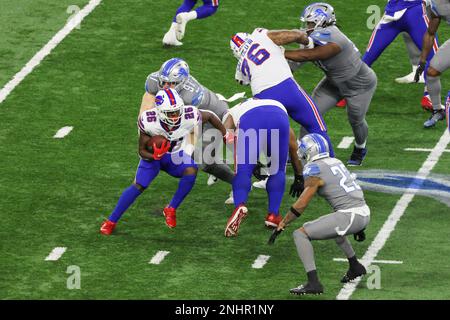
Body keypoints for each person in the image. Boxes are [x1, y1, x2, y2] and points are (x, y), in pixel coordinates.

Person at [100, 88, 232, 235]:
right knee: (139, 185)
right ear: (160, 112)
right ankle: (111, 221)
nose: (175, 116)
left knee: (191, 169)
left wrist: (225, 133)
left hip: (175, 156)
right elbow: (141, 150)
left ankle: (171, 208)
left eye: (177, 111)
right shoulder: (149, 121)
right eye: (171, 113)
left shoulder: (189, 115)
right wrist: (154, 155)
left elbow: (211, 116)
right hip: (153, 158)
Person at [268, 133, 370, 295]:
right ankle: (355, 266)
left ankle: (313, 283)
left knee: (300, 234)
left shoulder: (313, 169)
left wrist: (284, 222)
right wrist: (359, 228)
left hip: (350, 216)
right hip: (363, 212)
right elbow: (349, 192)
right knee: (335, 228)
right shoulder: (335, 161)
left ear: (309, 152)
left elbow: (302, 203)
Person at [284, 2, 377, 166]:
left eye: (311, 23)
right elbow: (293, 65)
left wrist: (282, 52)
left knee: (356, 120)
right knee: (309, 113)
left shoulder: (334, 37)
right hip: (333, 82)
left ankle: (360, 147)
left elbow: (307, 55)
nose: (308, 26)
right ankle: (300, 151)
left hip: (359, 84)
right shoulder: (313, 37)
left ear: (322, 21)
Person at [229, 28, 335, 158]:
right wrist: (307, 41)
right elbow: (293, 35)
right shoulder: (259, 34)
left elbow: (242, 81)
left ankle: (269, 170)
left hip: (263, 97)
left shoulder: (240, 68)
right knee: (316, 126)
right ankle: (331, 162)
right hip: (286, 87)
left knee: (273, 138)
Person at [142, 58, 235, 204]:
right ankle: (216, 165)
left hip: (215, 117)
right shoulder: (153, 80)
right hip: (192, 115)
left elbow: (192, 127)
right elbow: (146, 105)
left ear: (182, 82)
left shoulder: (191, 96)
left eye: (171, 83)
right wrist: (145, 130)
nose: (165, 86)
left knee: (203, 161)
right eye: (163, 82)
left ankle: (238, 183)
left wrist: (183, 152)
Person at [222, 98, 304, 235]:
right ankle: (273, 215)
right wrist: (299, 175)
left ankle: (240, 206)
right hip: (279, 116)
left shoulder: (232, 111)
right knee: (277, 170)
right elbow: (293, 146)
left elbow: (225, 133)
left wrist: (245, 161)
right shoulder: (274, 105)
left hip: (251, 119)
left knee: (243, 172)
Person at [338, 0, 439, 111]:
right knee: (369, 56)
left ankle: (429, 96)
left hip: (413, 12)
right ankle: (349, 92)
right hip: (396, 13)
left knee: (433, 57)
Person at [414, 0, 450, 128]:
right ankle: (437, 110)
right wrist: (422, 60)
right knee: (431, 72)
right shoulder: (437, 4)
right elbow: (430, 33)